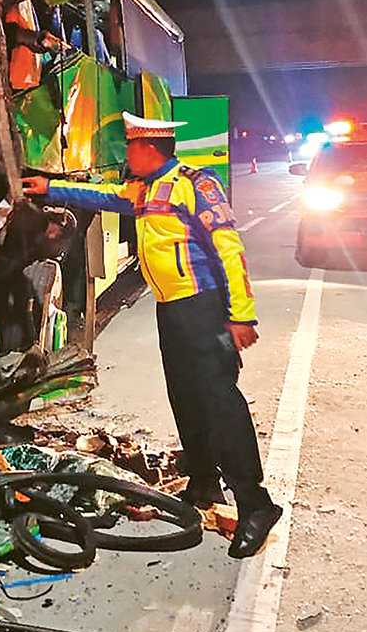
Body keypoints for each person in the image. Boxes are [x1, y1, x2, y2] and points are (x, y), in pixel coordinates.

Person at [21, 111, 282, 559]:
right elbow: (101, 195)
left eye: (130, 148)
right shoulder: (142, 190)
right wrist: (50, 189)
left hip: (204, 308)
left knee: (220, 403)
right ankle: (203, 484)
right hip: (171, 311)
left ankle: (256, 504)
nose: (125, 155)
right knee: (184, 397)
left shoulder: (196, 186)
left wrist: (242, 315)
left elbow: (229, 248)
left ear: (149, 149)